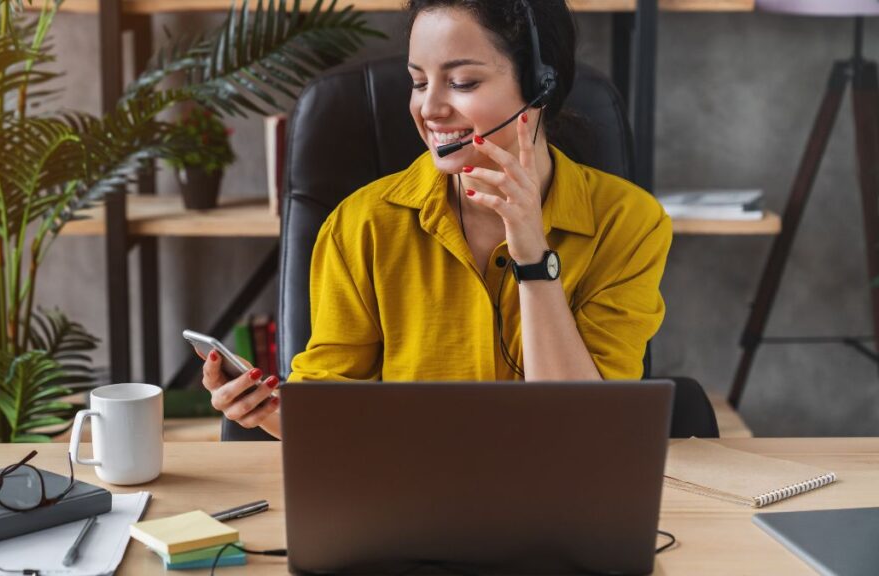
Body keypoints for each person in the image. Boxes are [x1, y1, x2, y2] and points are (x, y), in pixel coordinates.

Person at [202, 0, 672, 439]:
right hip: (407, 496)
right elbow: (334, 409)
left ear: (539, 87)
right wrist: (276, 413)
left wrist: (533, 257)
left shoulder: (628, 223)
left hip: (561, 500)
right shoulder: (361, 224)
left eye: (463, 82)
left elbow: (583, 431)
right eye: (419, 82)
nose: (429, 109)